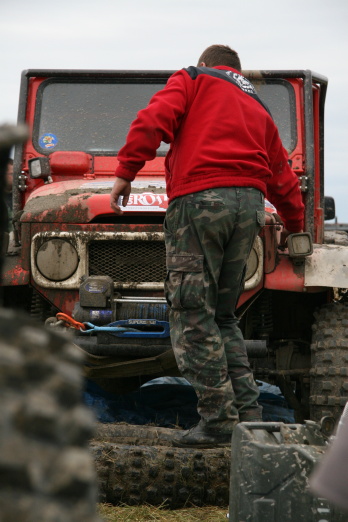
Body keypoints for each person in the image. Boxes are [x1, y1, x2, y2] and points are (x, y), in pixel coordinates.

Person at [110, 44, 304, 448]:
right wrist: (294, 224)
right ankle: (250, 419)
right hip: (250, 206)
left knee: (192, 312)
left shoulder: (193, 78)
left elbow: (153, 120)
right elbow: (282, 176)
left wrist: (126, 170)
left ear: (205, 64)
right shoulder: (257, 105)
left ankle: (216, 421)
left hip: (201, 201)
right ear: (238, 71)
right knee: (223, 316)